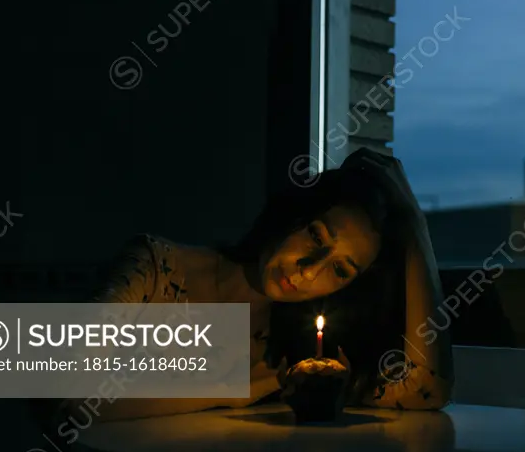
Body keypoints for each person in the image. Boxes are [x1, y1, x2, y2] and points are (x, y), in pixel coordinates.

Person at [39, 149, 453, 427]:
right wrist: (231, 387)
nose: (309, 271)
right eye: (315, 236)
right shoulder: (155, 266)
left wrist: (415, 225)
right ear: (294, 212)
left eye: (339, 270)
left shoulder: (290, 358)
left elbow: (426, 389)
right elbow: (61, 392)